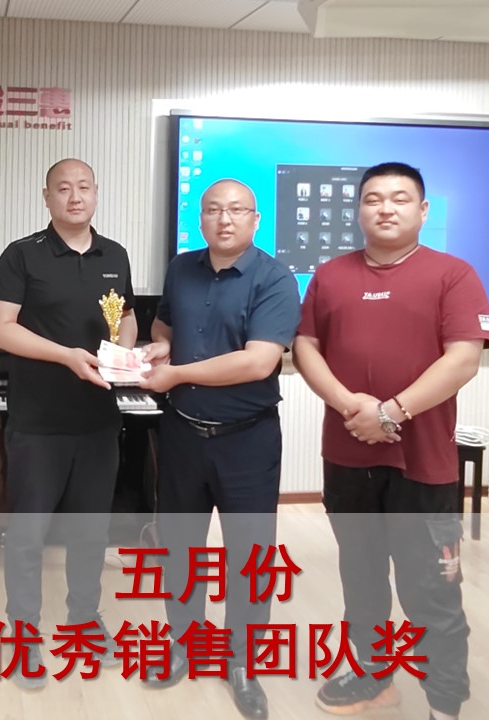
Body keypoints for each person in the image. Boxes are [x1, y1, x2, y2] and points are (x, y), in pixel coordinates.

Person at [292, 162, 489, 720]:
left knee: (431, 592)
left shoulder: (453, 274)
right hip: (347, 459)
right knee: (361, 579)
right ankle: (372, 675)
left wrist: (389, 412)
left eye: (400, 198)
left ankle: (444, 703)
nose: (386, 208)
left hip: (422, 464)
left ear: (423, 210)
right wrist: (348, 404)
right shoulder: (329, 275)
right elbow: (306, 345)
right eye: (373, 198)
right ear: (358, 209)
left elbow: (464, 359)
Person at [138, 179, 300, 720]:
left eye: (235, 210)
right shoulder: (181, 267)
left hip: (247, 440)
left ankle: (244, 664)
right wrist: (161, 345)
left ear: (256, 219)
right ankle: (184, 643)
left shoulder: (275, 278)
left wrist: (177, 373)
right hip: (183, 433)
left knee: (249, 557)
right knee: (180, 547)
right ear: (200, 218)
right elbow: (165, 321)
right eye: (212, 210)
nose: (224, 219)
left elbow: (259, 361)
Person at [0, 158, 136, 688]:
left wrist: (125, 351)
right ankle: (24, 632)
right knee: (28, 536)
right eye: (64, 188)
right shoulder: (22, 254)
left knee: (91, 532)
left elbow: (126, 316)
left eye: (84, 187)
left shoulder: (115, 255)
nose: (75, 197)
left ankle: (84, 619)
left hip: (97, 421)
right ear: (46, 197)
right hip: (38, 423)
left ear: (96, 193)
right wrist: (66, 356)